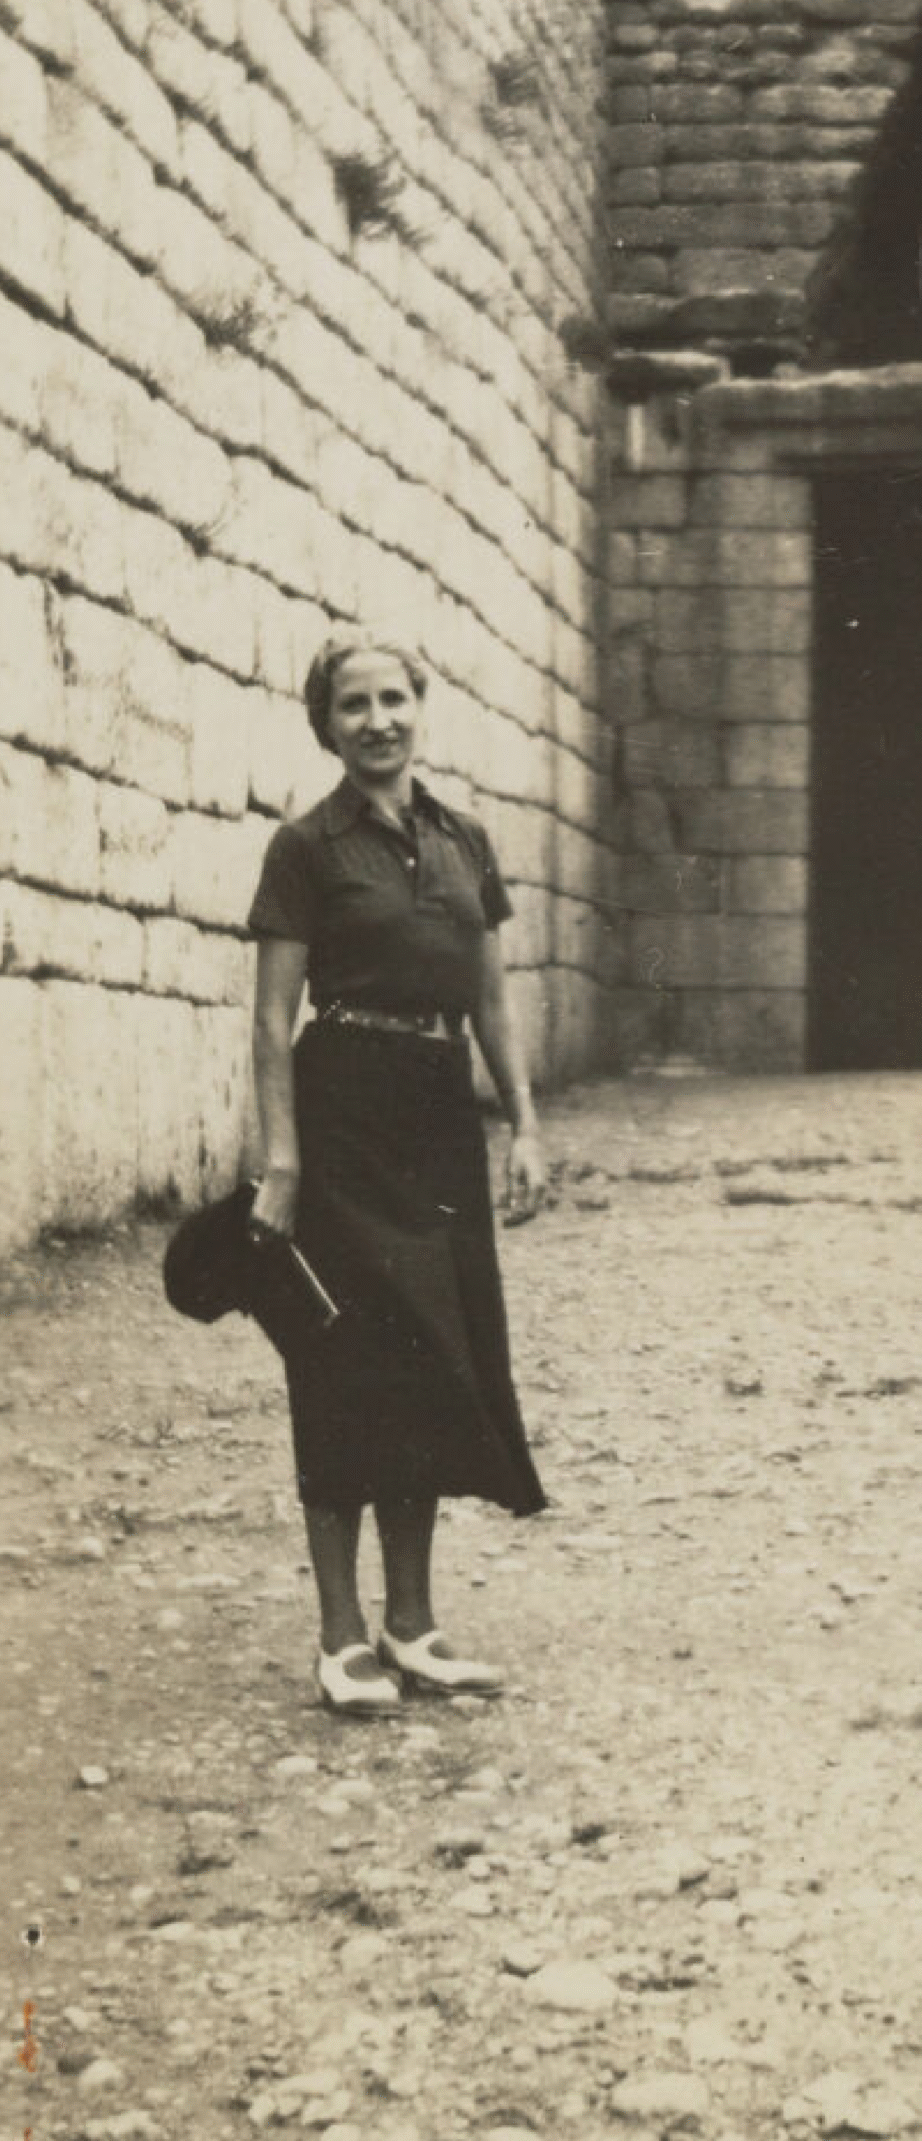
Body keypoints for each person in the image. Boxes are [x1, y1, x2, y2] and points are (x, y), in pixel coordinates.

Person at [246, 626, 548, 1716]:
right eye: (352, 705)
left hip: (436, 1113)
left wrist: (525, 1123)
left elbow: (491, 1002)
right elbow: (273, 1022)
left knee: (432, 1358)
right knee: (340, 1363)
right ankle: (340, 1639)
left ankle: (412, 1627)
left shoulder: (464, 839)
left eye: (392, 700)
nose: (376, 721)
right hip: (342, 1113)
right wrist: (281, 1160)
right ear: (326, 725)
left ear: (422, 706)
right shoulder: (306, 848)